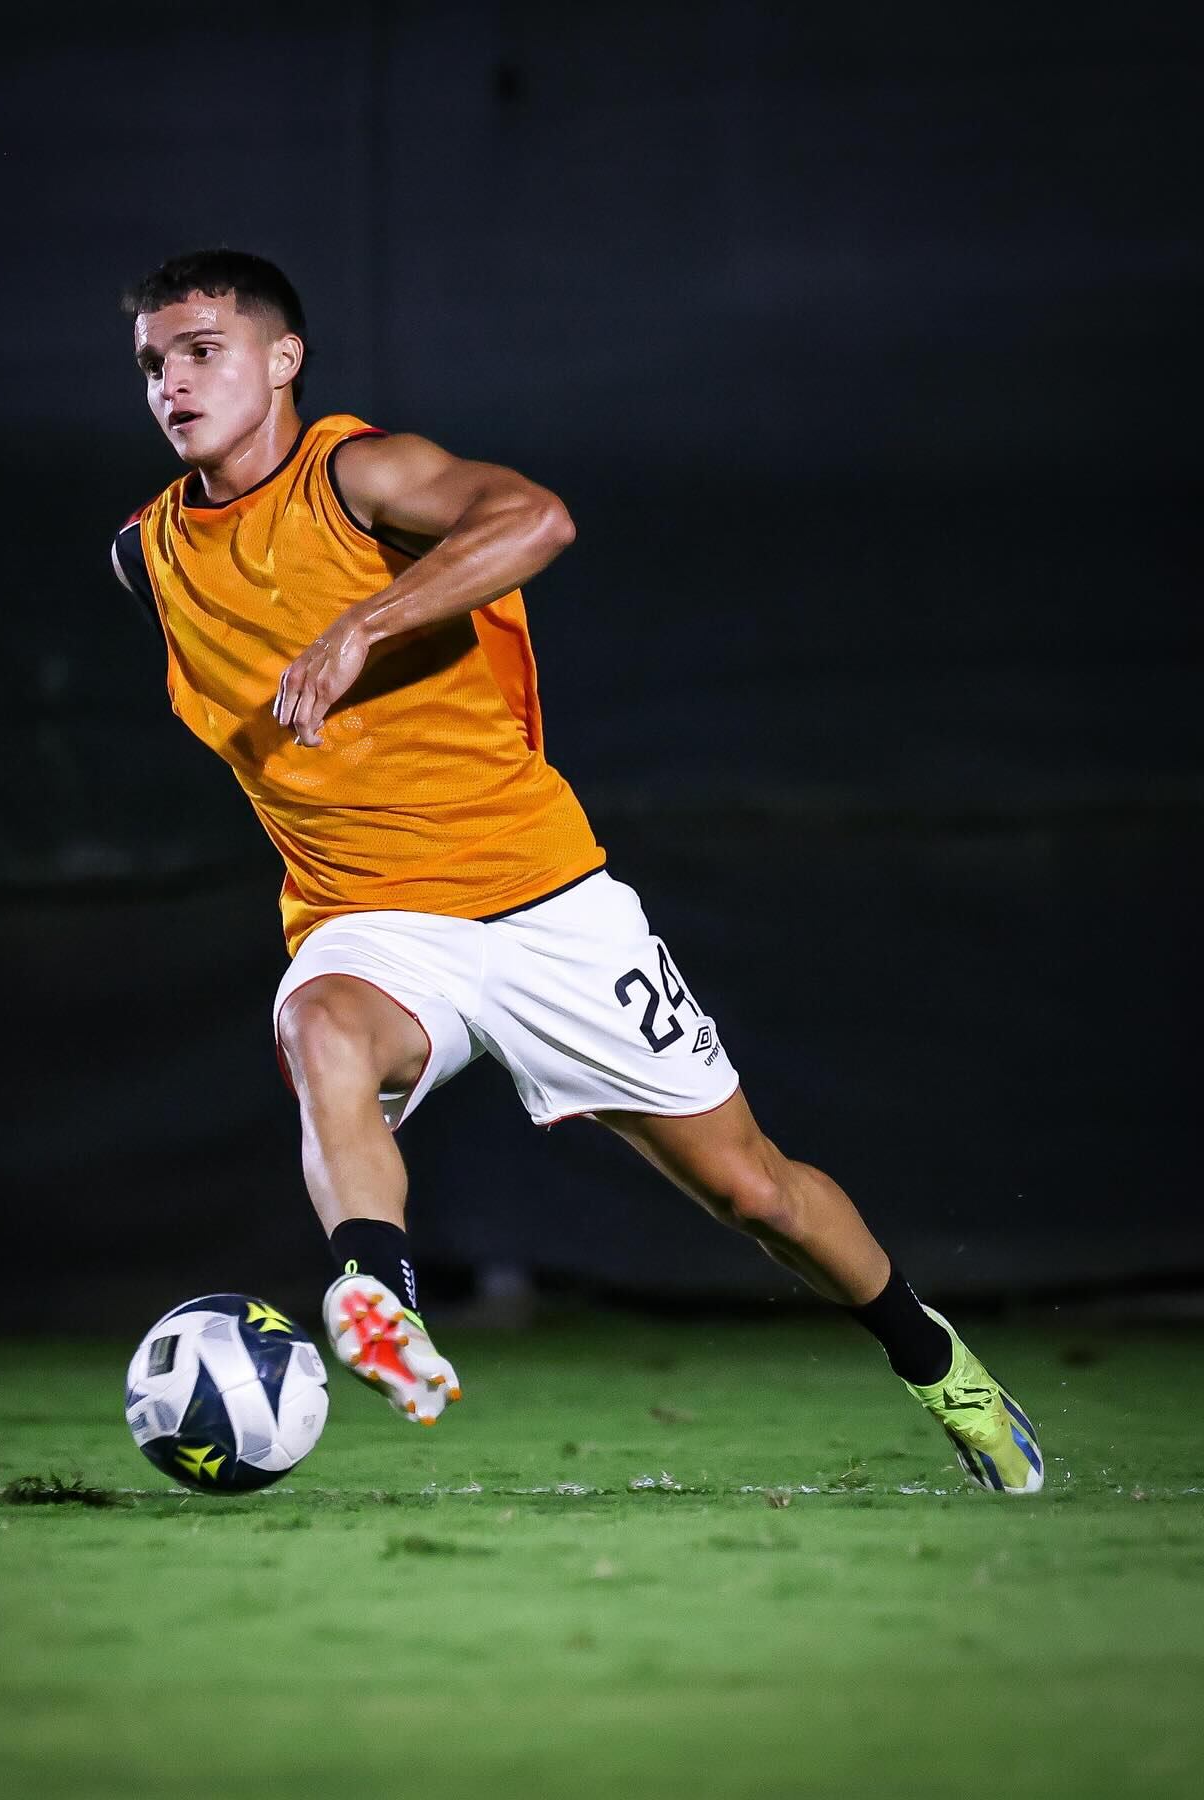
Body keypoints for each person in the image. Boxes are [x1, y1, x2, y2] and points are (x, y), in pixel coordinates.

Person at [112, 247, 1043, 1494]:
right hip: (370, 917)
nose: (173, 382)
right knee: (326, 1031)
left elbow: (536, 518)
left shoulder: (358, 473)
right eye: (153, 362)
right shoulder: (148, 555)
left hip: (544, 902)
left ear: (282, 361)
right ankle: (374, 1296)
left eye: (202, 350)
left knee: (755, 1192)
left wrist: (365, 625)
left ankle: (942, 1368)